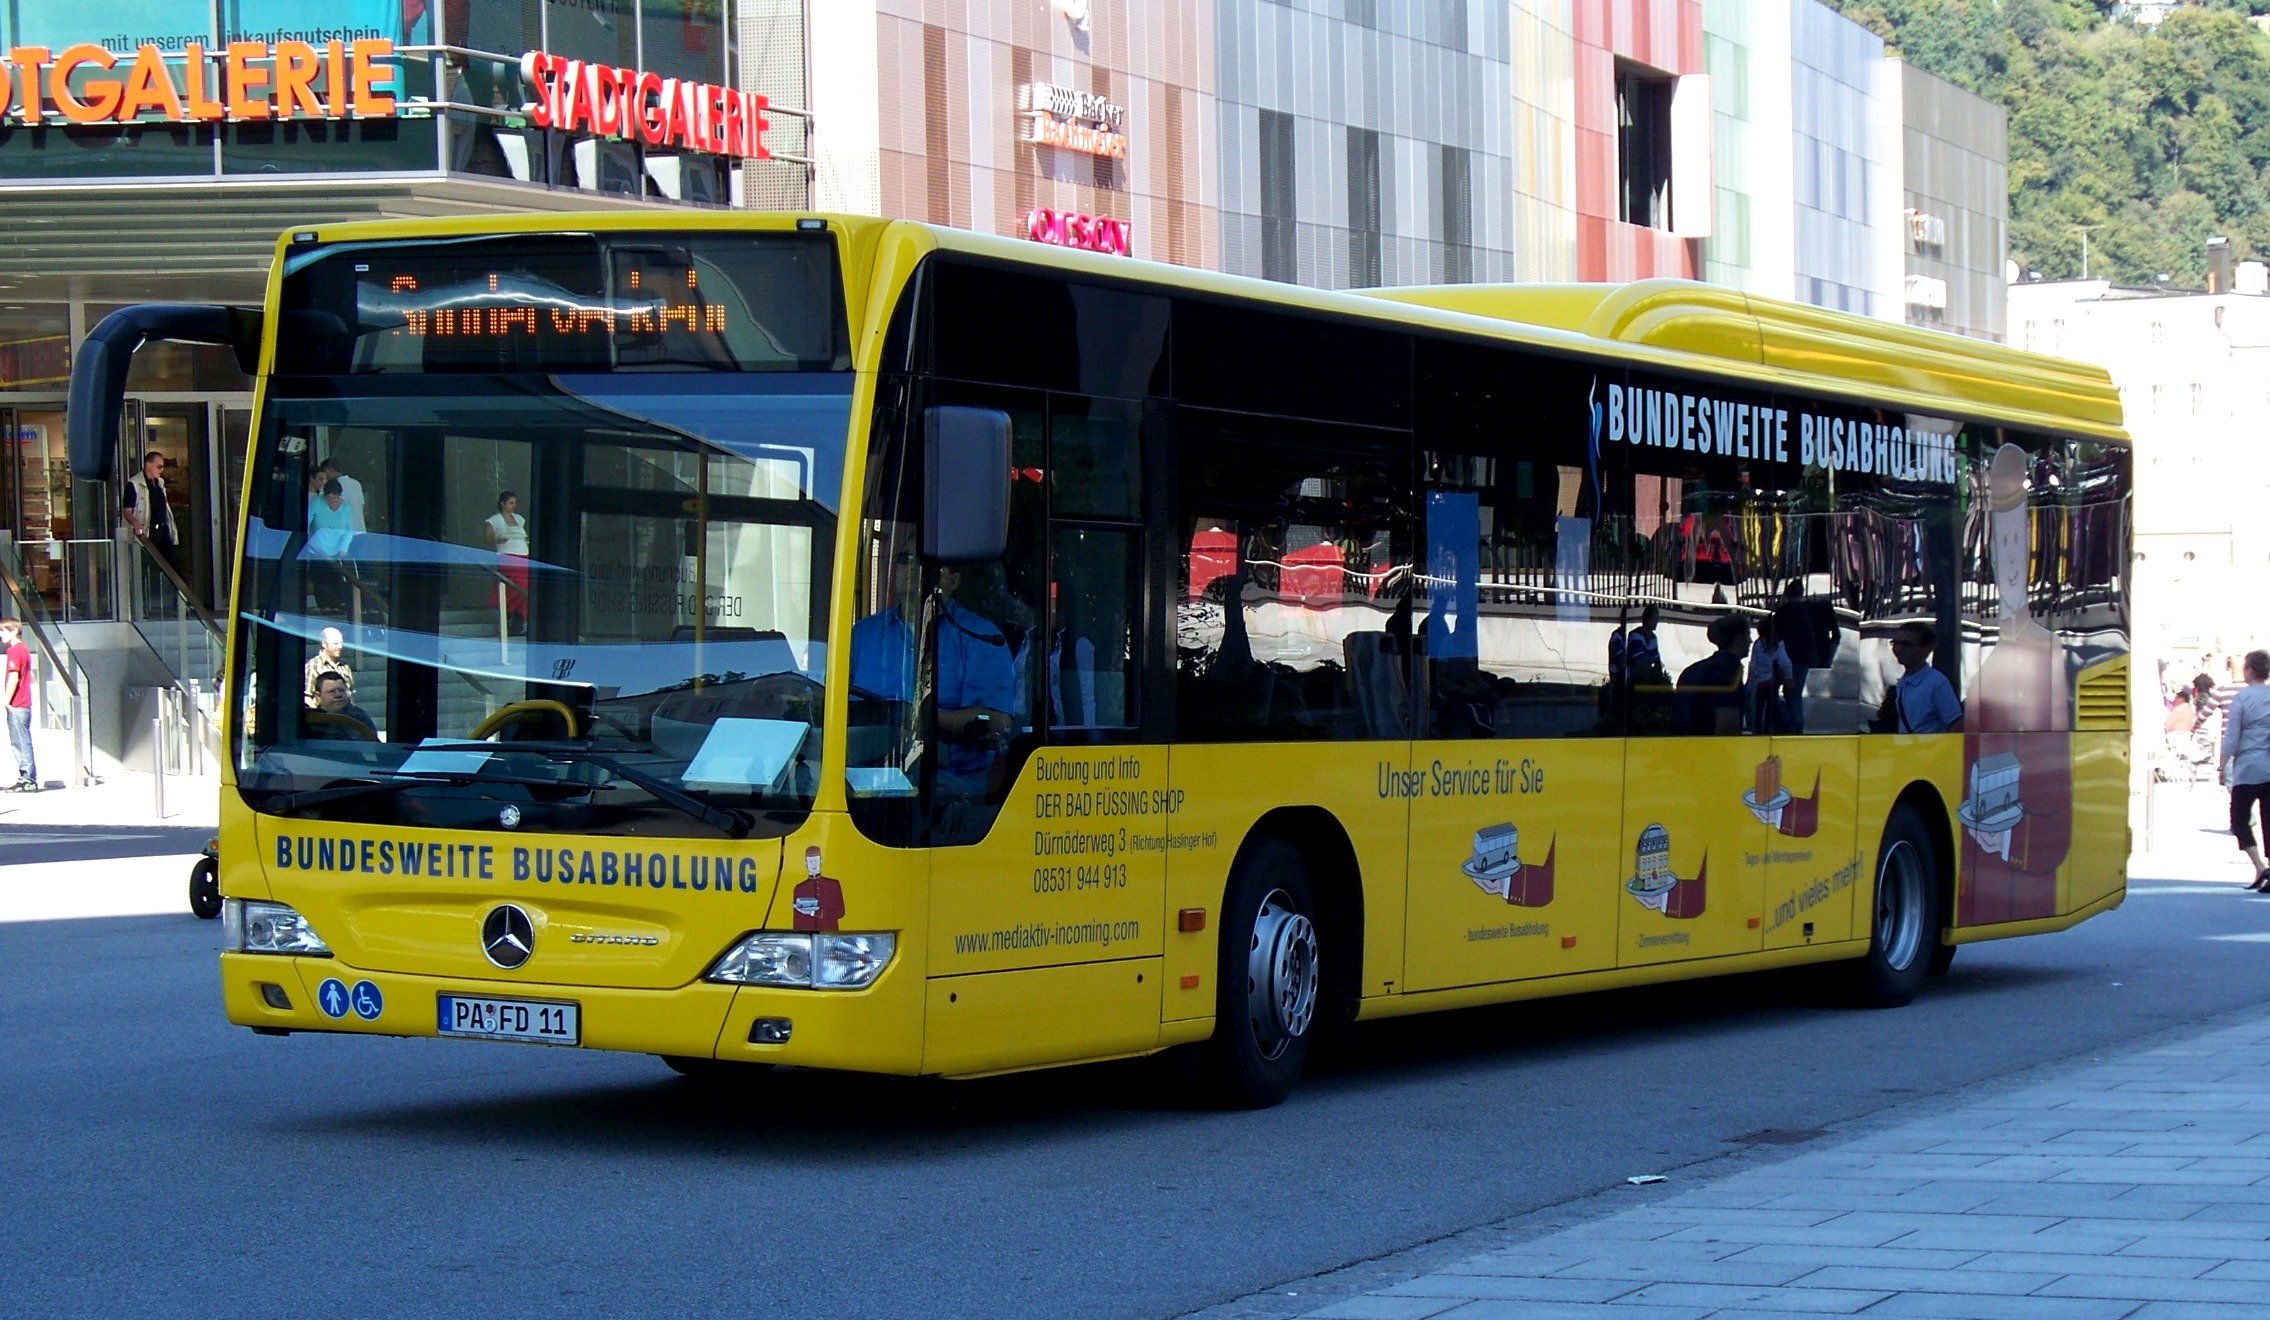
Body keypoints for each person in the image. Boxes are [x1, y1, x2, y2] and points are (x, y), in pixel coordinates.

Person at [2222, 650, 2270, 890]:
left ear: (2250, 670)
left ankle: (2260, 867)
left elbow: (2232, 736)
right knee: (2269, 819)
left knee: (2239, 819)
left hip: (2248, 768)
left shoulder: (2243, 698)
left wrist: (2222, 764)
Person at [121, 449, 178, 611]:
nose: (161, 470)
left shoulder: (160, 483)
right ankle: (140, 607)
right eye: (159, 467)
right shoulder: (134, 484)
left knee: (172, 566)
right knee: (142, 570)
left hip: (162, 529)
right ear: (148, 465)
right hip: (148, 531)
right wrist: (136, 524)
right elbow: (127, 510)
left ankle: (178, 604)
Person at [1675, 614, 1749, 735]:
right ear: (1739, 639)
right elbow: (1727, 726)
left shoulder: (1693, 670)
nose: (1750, 641)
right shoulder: (1729, 672)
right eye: (1748, 636)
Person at [1888, 620, 1963, 733]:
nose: (1898, 649)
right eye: (1895, 643)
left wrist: (1937, 750)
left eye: (1906, 645)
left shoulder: (1937, 683)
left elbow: (1956, 723)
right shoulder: (1903, 682)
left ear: (1927, 648)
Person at [305, 478, 359, 612]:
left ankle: (337, 605)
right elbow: (305, 523)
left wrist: (343, 548)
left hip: (337, 550)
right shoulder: (316, 503)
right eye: (328, 498)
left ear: (339, 496)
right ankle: (324, 606)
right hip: (318, 548)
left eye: (334, 498)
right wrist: (310, 543)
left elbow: (348, 530)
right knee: (321, 579)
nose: (331, 501)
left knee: (336, 578)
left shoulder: (345, 507)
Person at [483, 491, 531, 631]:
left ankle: (518, 617)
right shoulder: (494, 520)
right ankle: (508, 611)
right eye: (510, 502)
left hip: (523, 555)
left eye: (515, 502)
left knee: (526, 585)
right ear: (502, 503)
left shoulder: (519, 518)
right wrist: (498, 539)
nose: (513, 505)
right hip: (507, 555)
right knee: (516, 585)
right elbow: (486, 539)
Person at [0, 618, 36, 791]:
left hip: (18, 703)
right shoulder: (23, 650)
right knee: (20, 741)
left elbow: (13, 678)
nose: (1, 635)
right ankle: (26, 777)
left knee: (20, 742)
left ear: (14, 631)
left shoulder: (15, 651)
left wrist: (6, 701)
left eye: (3, 631)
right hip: (23, 703)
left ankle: (28, 779)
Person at [1746, 615, 1794, 734]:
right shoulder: (1778, 644)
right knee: (1771, 708)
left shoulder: (1758, 644)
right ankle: (1769, 730)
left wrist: (1750, 682)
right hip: (1772, 681)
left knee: (1757, 708)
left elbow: (1753, 665)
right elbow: (1785, 662)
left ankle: (1757, 730)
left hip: (1759, 682)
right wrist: (1789, 677)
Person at [302, 671, 375, 739]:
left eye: (341, 690)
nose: (338, 695)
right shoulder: (311, 720)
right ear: (318, 696)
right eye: (331, 691)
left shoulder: (358, 718)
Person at [303, 627, 354, 708]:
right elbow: (306, 697)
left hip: (345, 717)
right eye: (335, 643)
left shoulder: (345, 666)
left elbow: (350, 694)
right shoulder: (312, 666)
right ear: (324, 644)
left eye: (341, 643)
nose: (340, 647)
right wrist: (321, 715)